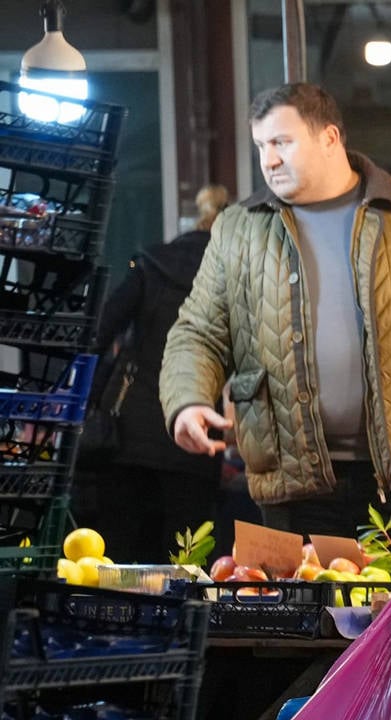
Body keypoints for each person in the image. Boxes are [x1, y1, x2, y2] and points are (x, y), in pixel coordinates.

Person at [160, 82, 391, 544]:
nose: (268, 159)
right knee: (311, 613)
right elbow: (199, 332)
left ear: (330, 138)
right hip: (293, 482)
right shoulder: (238, 226)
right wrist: (187, 400)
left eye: (281, 142)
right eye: (260, 146)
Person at [75, 185, 230, 563]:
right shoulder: (230, 277)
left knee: (121, 555)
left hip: (127, 437)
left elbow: (97, 333)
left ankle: (120, 622)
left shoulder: (152, 265)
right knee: (185, 561)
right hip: (193, 436)